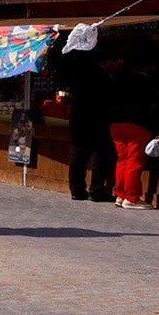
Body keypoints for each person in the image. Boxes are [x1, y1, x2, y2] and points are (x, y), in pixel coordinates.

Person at [60, 47, 119, 203]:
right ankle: (97, 189)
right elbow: (108, 99)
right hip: (97, 118)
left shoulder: (80, 71)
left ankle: (77, 189)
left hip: (78, 118)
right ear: (108, 61)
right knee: (99, 154)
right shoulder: (103, 75)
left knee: (78, 154)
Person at [109, 54, 159, 210]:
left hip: (115, 123)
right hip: (137, 124)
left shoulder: (118, 78)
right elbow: (155, 107)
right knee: (134, 161)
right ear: (148, 67)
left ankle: (120, 194)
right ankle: (132, 197)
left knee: (122, 160)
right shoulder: (149, 82)